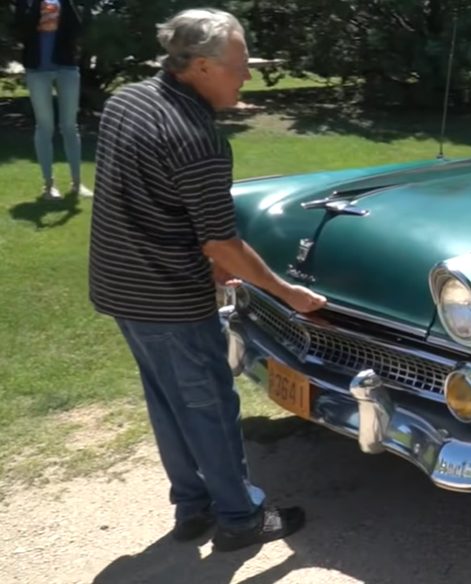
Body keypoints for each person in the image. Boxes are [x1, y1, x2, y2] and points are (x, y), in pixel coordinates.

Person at [88, 8, 327, 552]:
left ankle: (192, 506)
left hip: (119, 288)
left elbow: (150, 200)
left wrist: (212, 256)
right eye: (239, 65)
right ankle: (240, 519)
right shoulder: (196, 136)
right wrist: (288, 293)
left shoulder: (127, 100)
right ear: (199, 66)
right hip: (168, 297)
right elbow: (220, 243)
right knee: (210, 407)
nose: (246, 76)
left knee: (167, 401)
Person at [12, 0, 92, 200]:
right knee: (44, 126)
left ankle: (77, 183)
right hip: (37, 70)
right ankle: (48, 186)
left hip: (66, 68)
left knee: (69, 126)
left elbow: (77, 28)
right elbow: (21, 30)